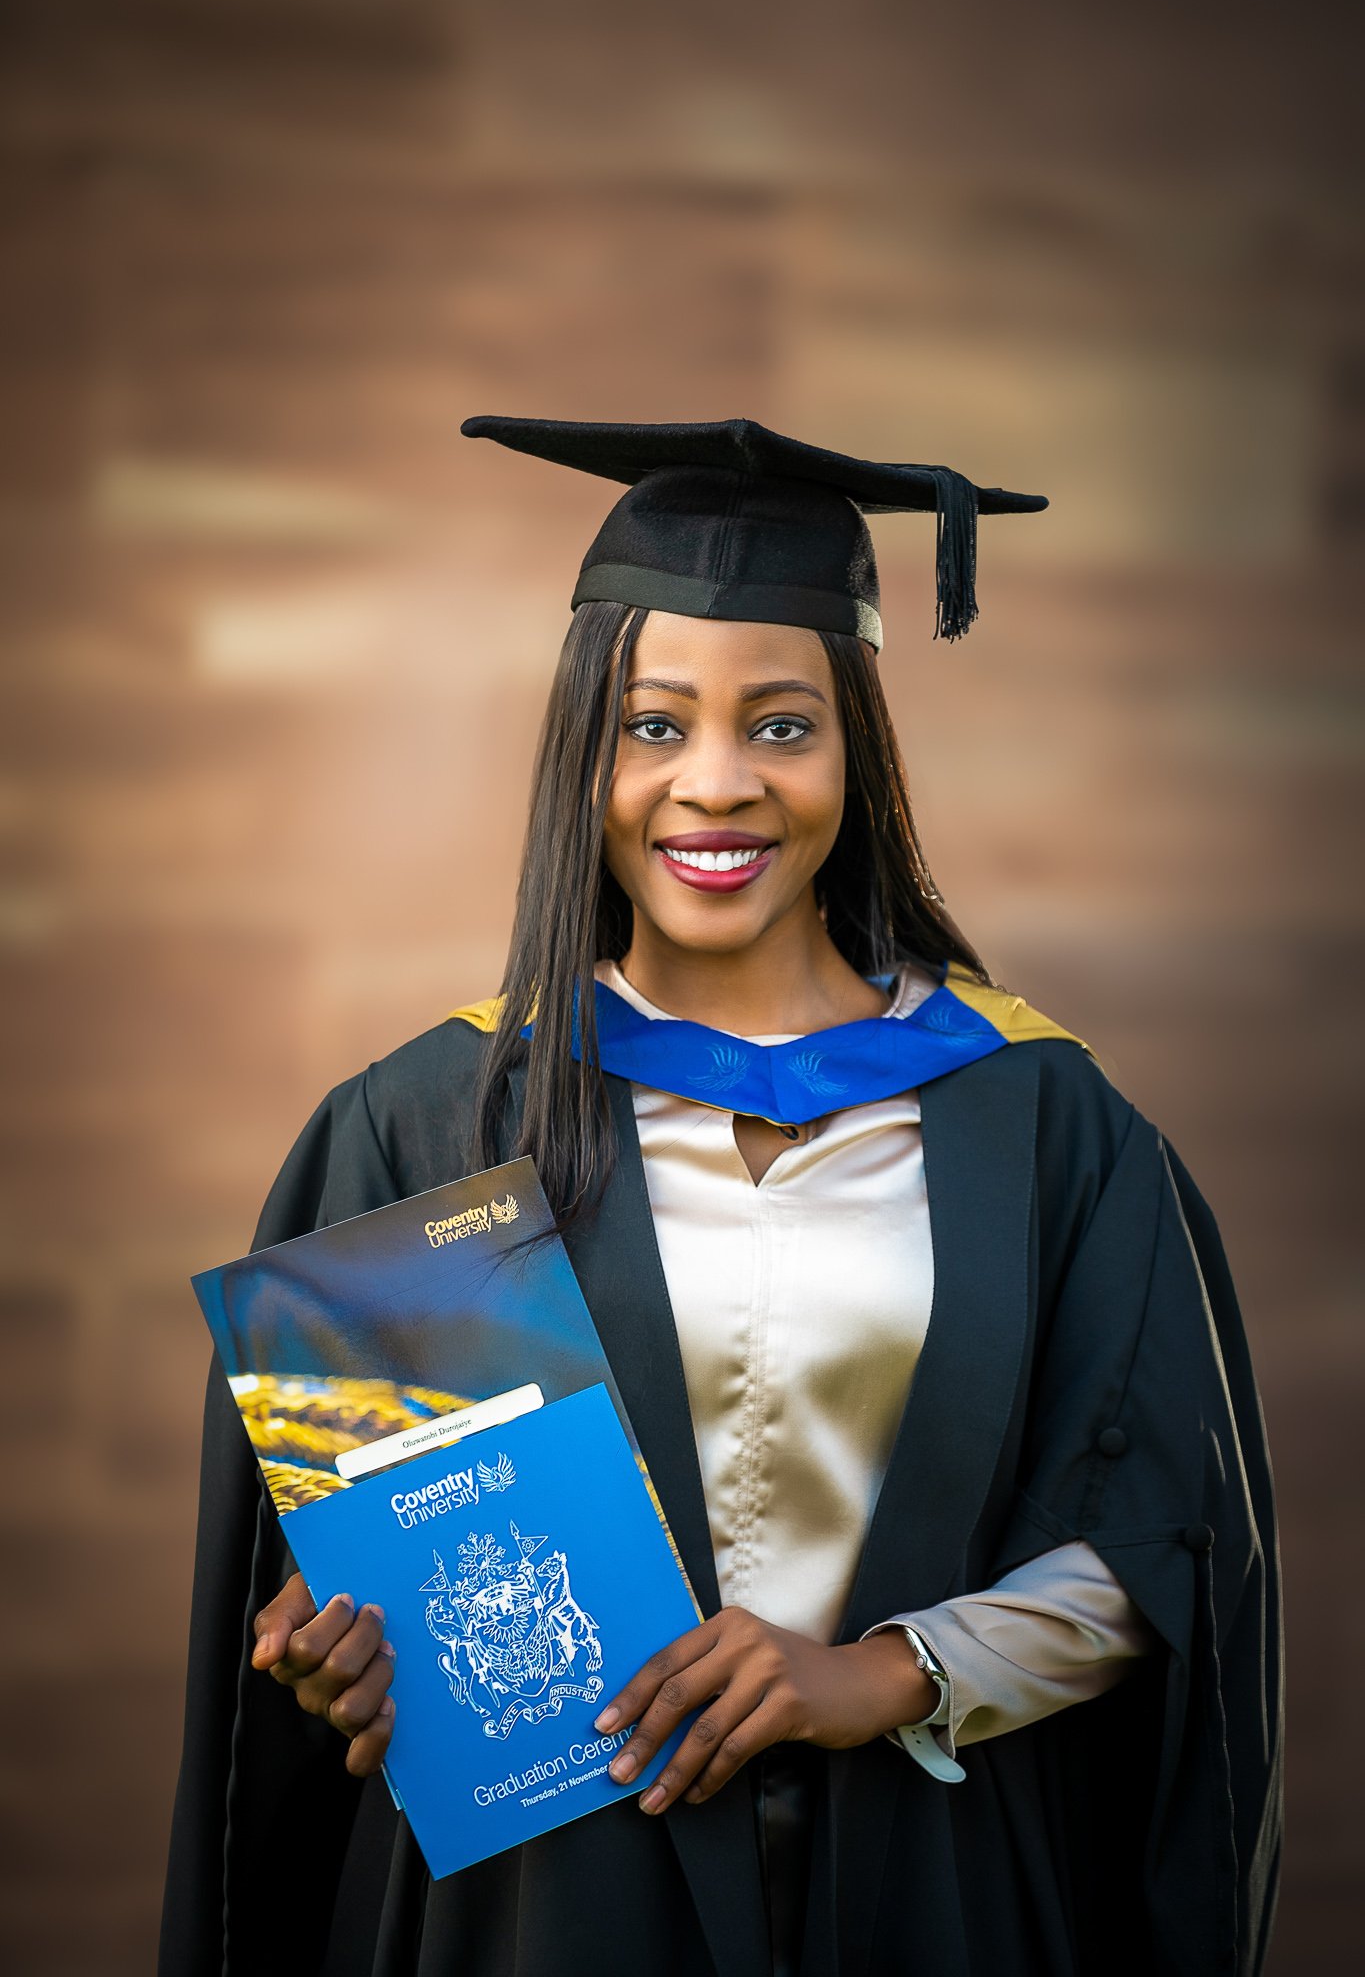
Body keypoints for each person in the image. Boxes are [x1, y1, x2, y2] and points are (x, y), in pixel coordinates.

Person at [159, 418, 1283, 1977]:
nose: (712, 787)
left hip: (924, 1884)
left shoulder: (1038, 1120)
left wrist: (886, 1675)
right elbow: (346, 1581)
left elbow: (1159, 1541)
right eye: (652, 725)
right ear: (585, 753)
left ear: (854, 754)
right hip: (546, 1905)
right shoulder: (435, 1120)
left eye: (777, 727)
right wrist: (332, 1656)